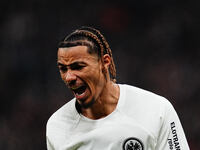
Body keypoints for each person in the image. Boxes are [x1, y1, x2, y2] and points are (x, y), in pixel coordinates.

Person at [46, 26, 190, 150]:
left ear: (104, 62)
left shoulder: (157, 109)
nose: (69, 77)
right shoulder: (57, 125)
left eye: (78, 67)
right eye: (63, 69)